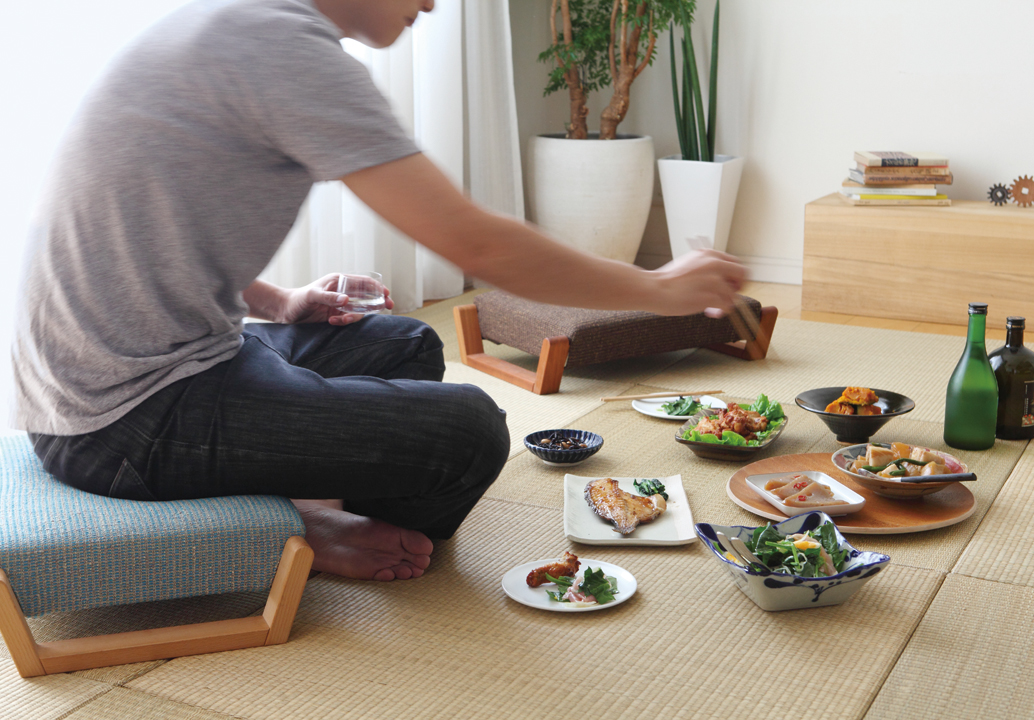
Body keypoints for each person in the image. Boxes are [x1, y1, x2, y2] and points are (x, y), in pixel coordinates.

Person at [12, 0, 746, 582]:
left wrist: (282, 304)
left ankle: (289, 491)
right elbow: (476, 243)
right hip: (121, 422)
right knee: (469, 432)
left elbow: (158, 230)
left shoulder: (241, 23)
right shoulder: (283, 48)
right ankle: (295, 529)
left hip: (140, 372)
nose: (433, 4)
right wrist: (658, 289)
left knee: (407, 343)